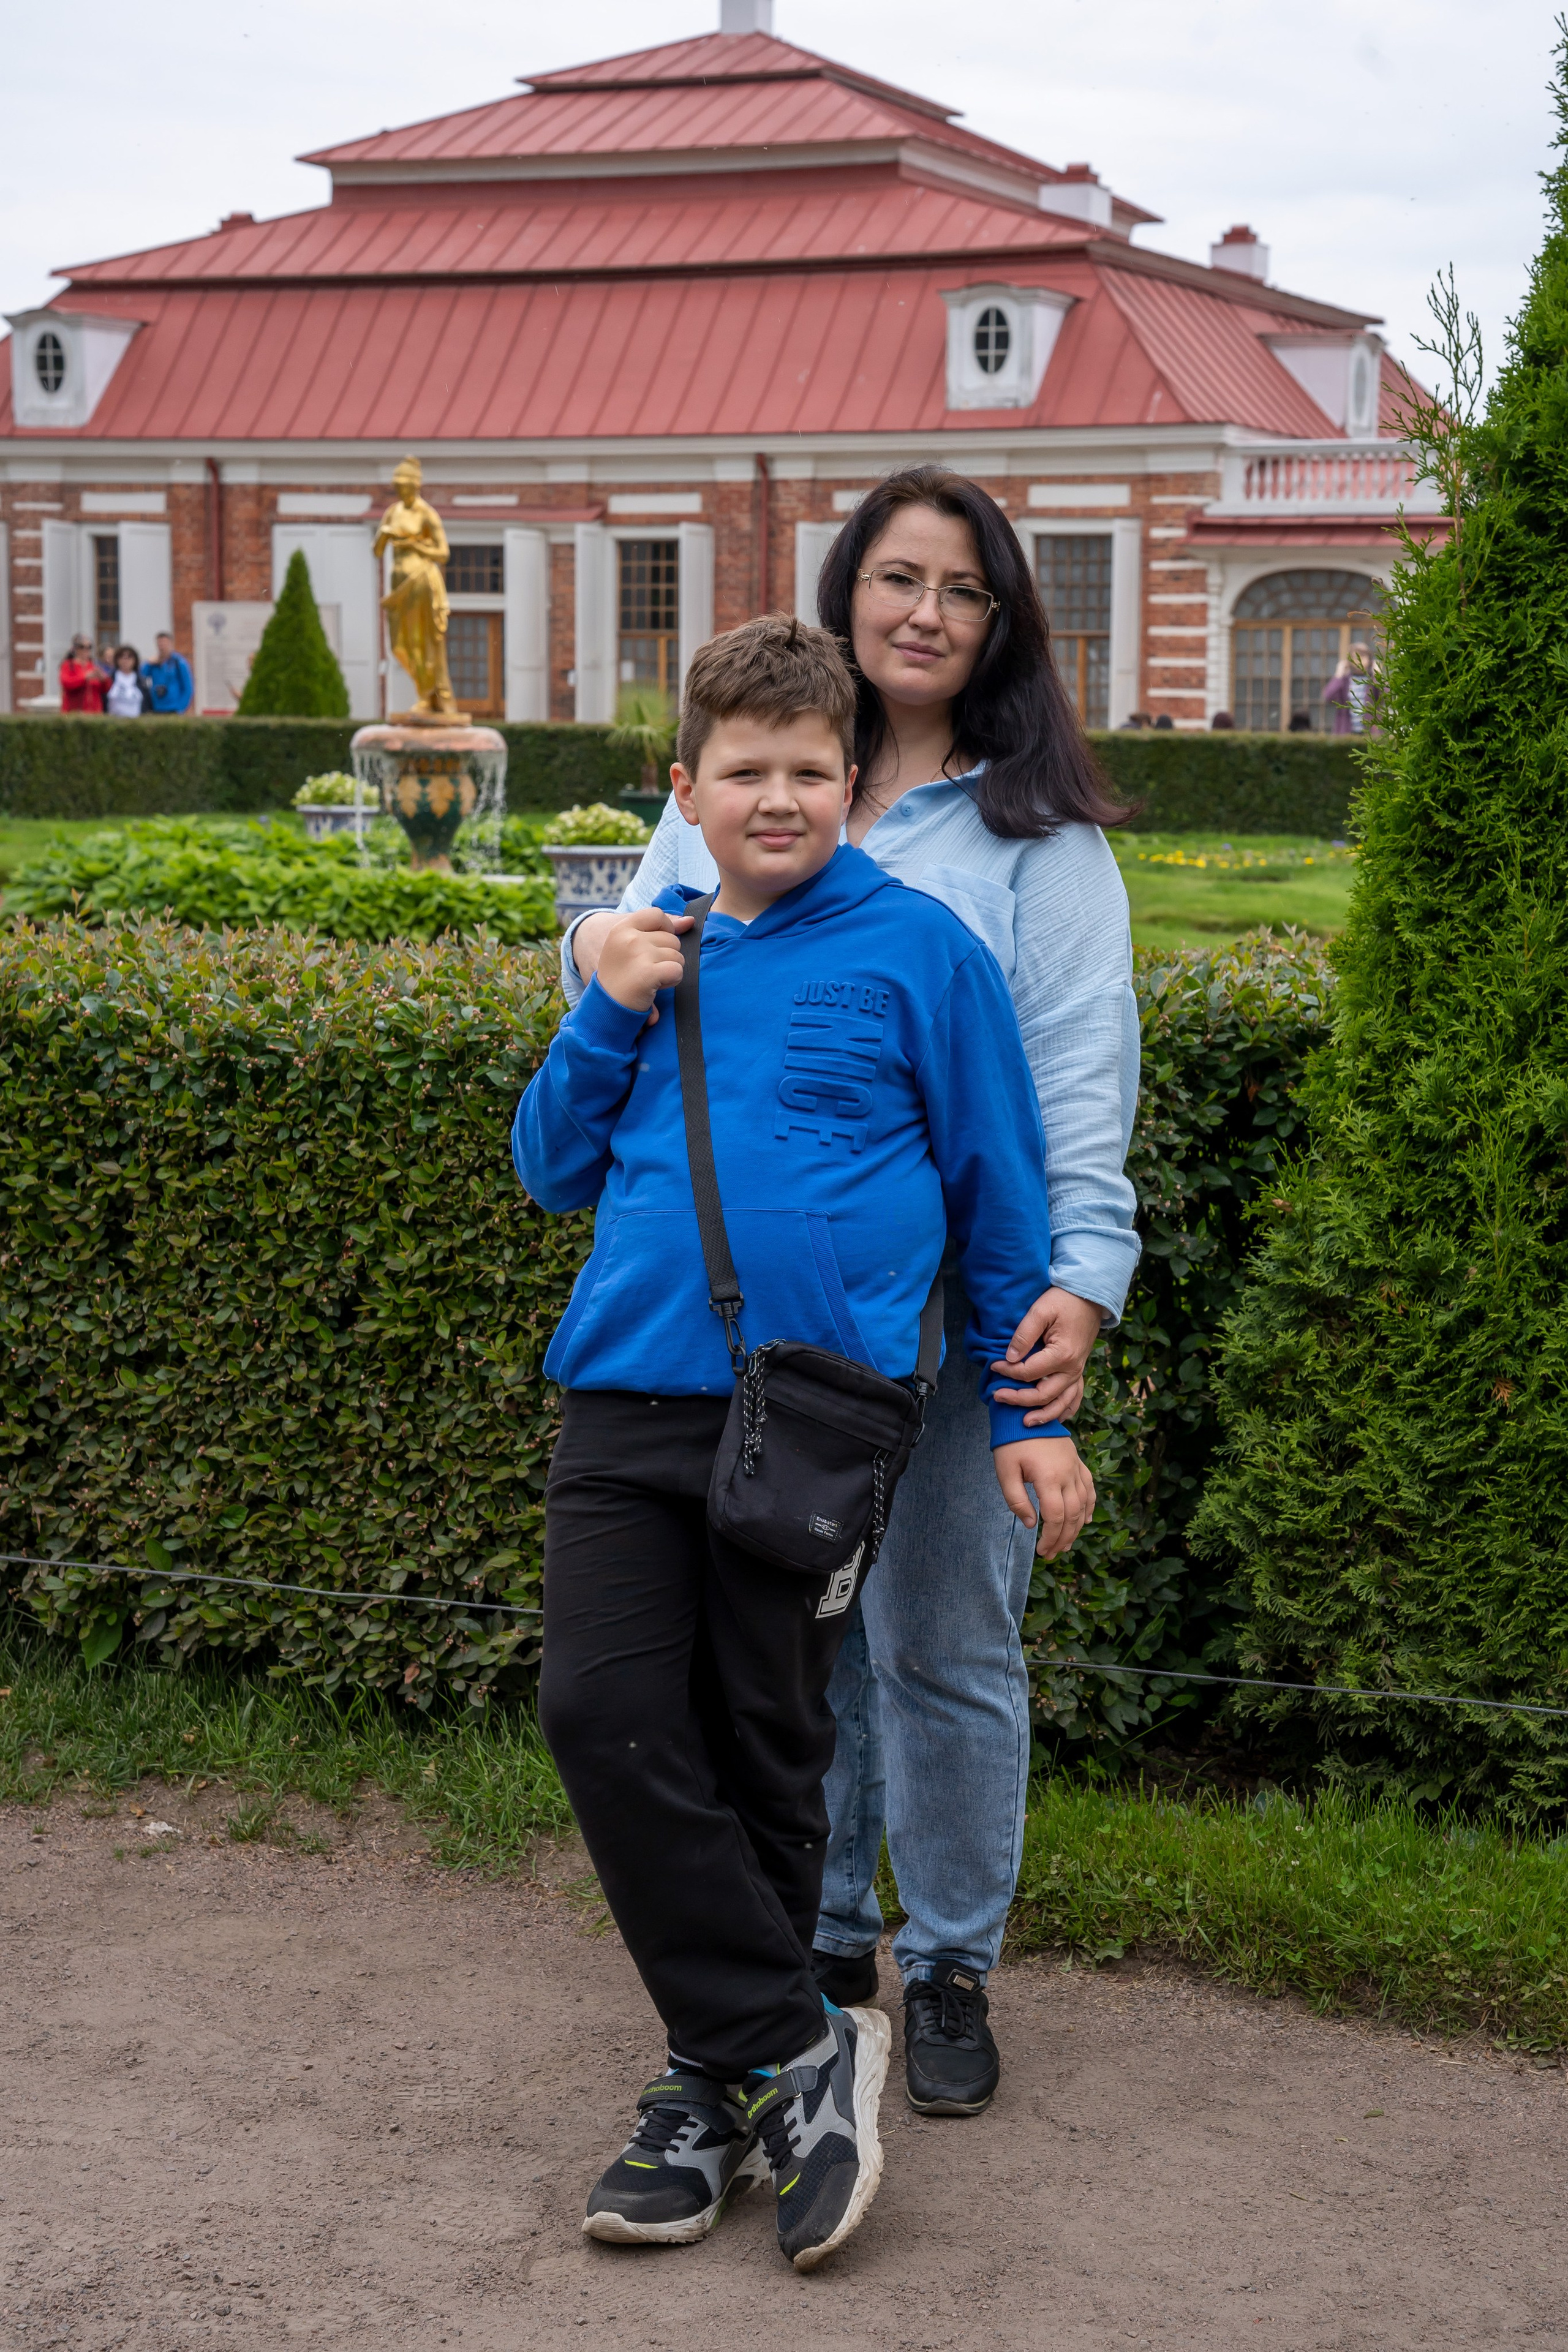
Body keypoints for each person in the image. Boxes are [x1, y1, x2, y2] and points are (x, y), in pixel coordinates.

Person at [515, 616, 1095, 2268]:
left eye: (809, 771)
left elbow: (1000, 1204)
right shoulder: (650, 943)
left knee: (770, 1740)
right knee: (602, 1706)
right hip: (626, 1397)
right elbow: (551, 1166)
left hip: (816, 1420)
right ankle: (795, 2039)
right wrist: (602, 1005)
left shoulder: (926, 956)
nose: (777, 797)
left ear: (855, 781)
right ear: (685, 788)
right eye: (743, 772)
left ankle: (708, 2090)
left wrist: (1035, 1421)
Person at [142, 631, 194, 714]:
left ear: (171, 644)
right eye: (160, 644)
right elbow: (141, 675)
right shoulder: (154, 663)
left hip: (174, 708)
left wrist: (181, 708)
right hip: (157, 707)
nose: (162, 647)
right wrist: (148, 663)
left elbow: (188, 688)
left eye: (164, 644)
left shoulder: (179, 662)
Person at [58, 635, 106, 712]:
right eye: (82, 647)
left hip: (94, 712)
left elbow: (105, 689)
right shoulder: (68, 665)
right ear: (75, 649)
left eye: (89, 647)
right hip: (74, 711)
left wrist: (103, 679)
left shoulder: (94, 665)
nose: (86, 650)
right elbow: (67, 683)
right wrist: (85, 677)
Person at [104, 645, 149, 717]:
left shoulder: (141, 680)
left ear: (135, 660)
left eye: (129, 658)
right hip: (114, 721)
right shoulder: (110, 678)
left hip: (135, 722)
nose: (125, 661)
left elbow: (146, 702)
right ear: (117, 660)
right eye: (122, 657)